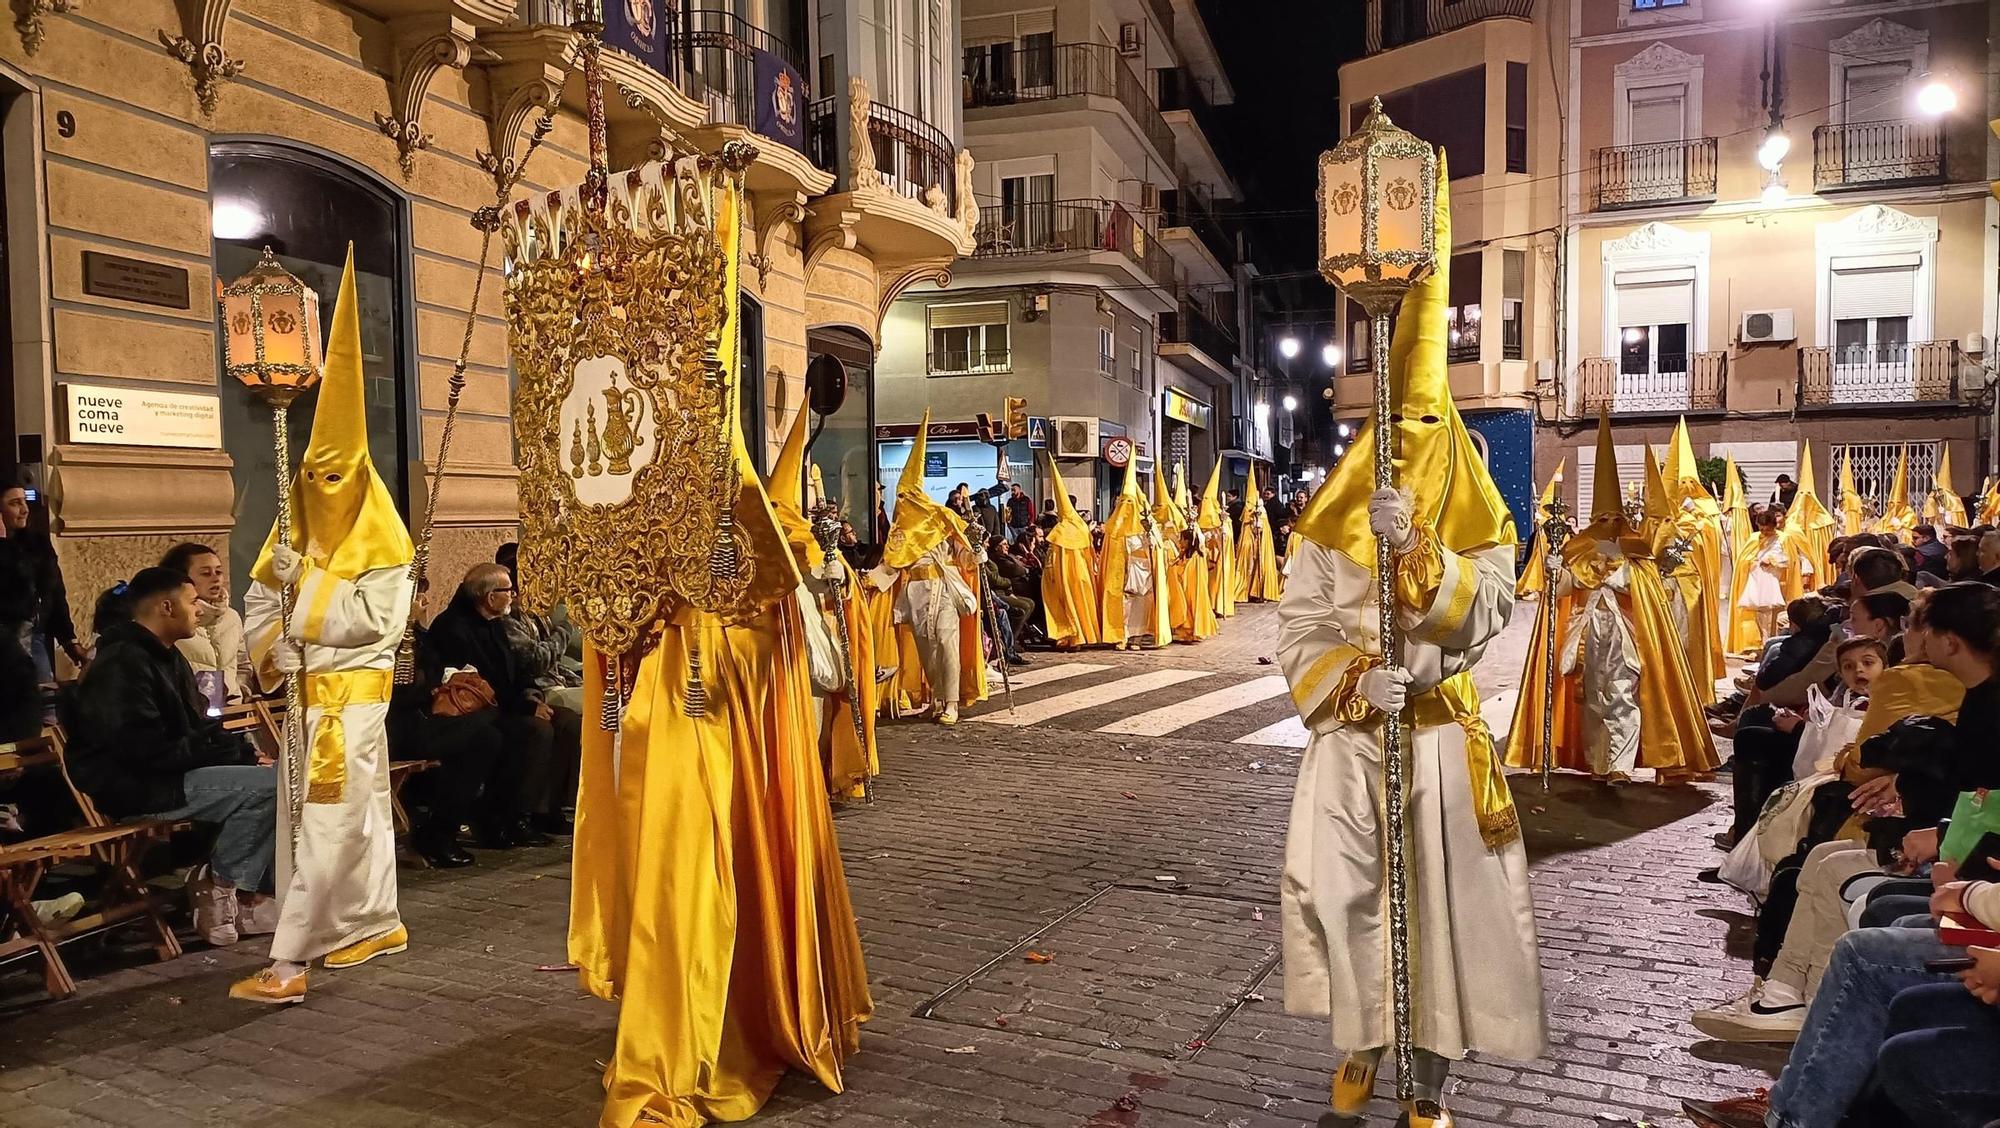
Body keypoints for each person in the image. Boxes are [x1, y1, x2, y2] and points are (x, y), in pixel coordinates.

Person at [1278, 173, 1544, 1127]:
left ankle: (1427, 1077)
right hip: (1353, 746)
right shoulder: (1324, 522)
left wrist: (1426, 563)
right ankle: (1360, 1046)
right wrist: (1351, 680)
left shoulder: (1477, 510)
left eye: (1435, 425)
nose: (1418, 442)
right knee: (1348, 905)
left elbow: (1493, 609)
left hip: (1438, 744)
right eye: (1405, 425)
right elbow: (1297, 625)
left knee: (1439, 922)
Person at [234, 252, 416, 1004]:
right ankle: (367, 922)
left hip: (352, 707)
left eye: (337, 478)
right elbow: (255, 616)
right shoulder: (292, 539)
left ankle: (288, 962)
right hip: (304, 702)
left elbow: (375, 620)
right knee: (339, 825)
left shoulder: (387, 550)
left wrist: (302, 596)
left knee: (332, 825)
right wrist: (278, 633)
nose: (321, 491)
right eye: (314, 477)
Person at [67, 567, 276, 948]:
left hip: (172, 774)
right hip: (141, 787)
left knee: (280, 778)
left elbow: (198, 728)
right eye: (192, 600)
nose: (200, 608)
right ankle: (219, 884)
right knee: (271, 787)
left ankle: (247, 894)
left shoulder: (168, 656)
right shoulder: (122, 663)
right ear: (166, 606)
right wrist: (227, 758)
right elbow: (143, 749)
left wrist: (244, 754)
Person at [1506, 417, 1718, 786]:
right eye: (1600, 517)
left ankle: (1620, 763)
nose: (1606, 522)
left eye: (1612, 517)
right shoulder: (1579, 547)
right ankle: (1598, 762)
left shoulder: (1636, 551)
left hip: (1626, 637)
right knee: (1592, 701)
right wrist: (1557, 571)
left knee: (1622, 695)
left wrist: (1613, 568)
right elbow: (1565, 590)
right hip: (1588, 635)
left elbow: (1642, 589)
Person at [426, 563, 566, 839]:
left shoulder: (495, 624)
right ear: (490, 597)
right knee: (535, 730)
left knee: (568, 723)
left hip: (508, 703)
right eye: (508, 591)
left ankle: (547, 810)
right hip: (478, 713)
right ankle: (515, 816)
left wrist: (532, 696)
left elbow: (515, 671)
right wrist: (527, 707)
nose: (513, 596)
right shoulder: (455, 629)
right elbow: (481, 685)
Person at [879, 415, 985, 725]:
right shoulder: (899, 529)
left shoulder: (941, 518)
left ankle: (951, 702)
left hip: (942, 589)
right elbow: (892, 565)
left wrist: (976, 550)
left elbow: (965, 557)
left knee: (947, 643)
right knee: (927, 651)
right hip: (915, 595)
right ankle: (937, 698)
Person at [1, 484, 82, 691]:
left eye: (24, 502)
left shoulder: (38, 544)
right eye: (14, 503)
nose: (24, 509)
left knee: (46, 703)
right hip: (7, 640)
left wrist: (69, 641)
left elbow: (55, 594)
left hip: (36, 637)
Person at [160, 542, 246, 707]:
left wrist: (238, 690)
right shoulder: (172, 620)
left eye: (219, 571)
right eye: (206, 573)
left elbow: (242, 665)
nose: (216, 578)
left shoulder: (232, 617)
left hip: (233, 713)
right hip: (191, 714)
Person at [1099, 460, 1170, 651]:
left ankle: (1136, 638)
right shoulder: (1114, 527)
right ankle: (1120, 636)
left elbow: (1156, 546)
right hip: (1121, 575)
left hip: (1142, 573)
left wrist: (1148, 534)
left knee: (1139, 610)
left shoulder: (1148, 525)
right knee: (1123, 608)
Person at [1036, 454, 1100, 651]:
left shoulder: (1061, 530)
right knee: (1081, 605)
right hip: (1082, 576)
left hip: (1065, 577)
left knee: (1065, 606)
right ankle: (1082, 635)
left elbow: (1053, 558)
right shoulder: (1081, 526)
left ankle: (1069, 636)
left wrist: (1049, 576)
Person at [1234, 465, 1281, 603]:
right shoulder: (1250, 511)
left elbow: (1260, 528)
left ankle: (1258, 590)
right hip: (1249, 544)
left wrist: (1257, 522)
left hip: (1259, 543)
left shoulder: (1262, 511)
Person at [1198, 458, 1237, 621]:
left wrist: (1221, 530)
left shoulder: (1224, 519)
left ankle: (1219, 605)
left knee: (1218, 582)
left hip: (1219, 557)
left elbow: (1226, 538)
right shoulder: (1200, 517)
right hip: (1206, 557)